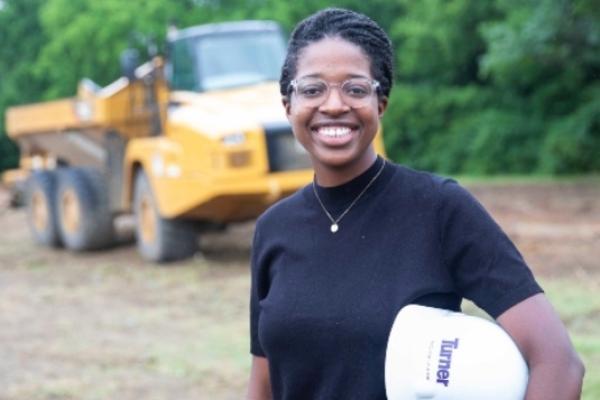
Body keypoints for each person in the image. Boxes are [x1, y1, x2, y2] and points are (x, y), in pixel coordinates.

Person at [247, 8, 584, 400]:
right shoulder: (274, 228)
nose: (334, 104)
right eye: (312, 89)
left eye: (355, 89)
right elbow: (264, 383)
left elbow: (558, 362)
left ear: (381, 103)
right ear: (288, 106)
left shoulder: (438, 209)